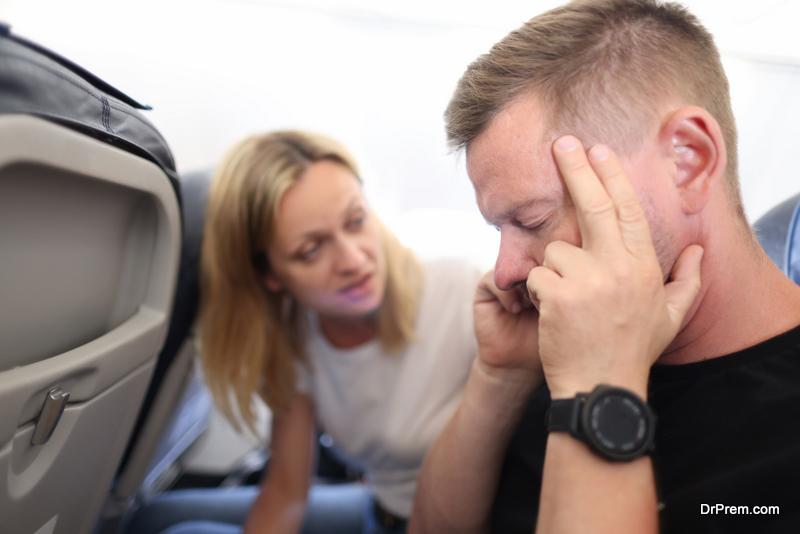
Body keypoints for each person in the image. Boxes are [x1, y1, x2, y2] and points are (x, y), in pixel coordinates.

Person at [409, 1, 800, 533]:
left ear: (688, 161)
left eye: (533, 218)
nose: (505, 273)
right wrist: (500, 376)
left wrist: (600, 382)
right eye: (499, 231)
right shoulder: (561, 329)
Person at [126, 130, 481, 534]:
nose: (353, 259)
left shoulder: (464, 290)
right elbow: (285, 491)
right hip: (379, 505)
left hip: (437, 522)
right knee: (151, 518)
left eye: (356, 220)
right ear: (268, 274)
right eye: (311, 250)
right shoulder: (295, 329)